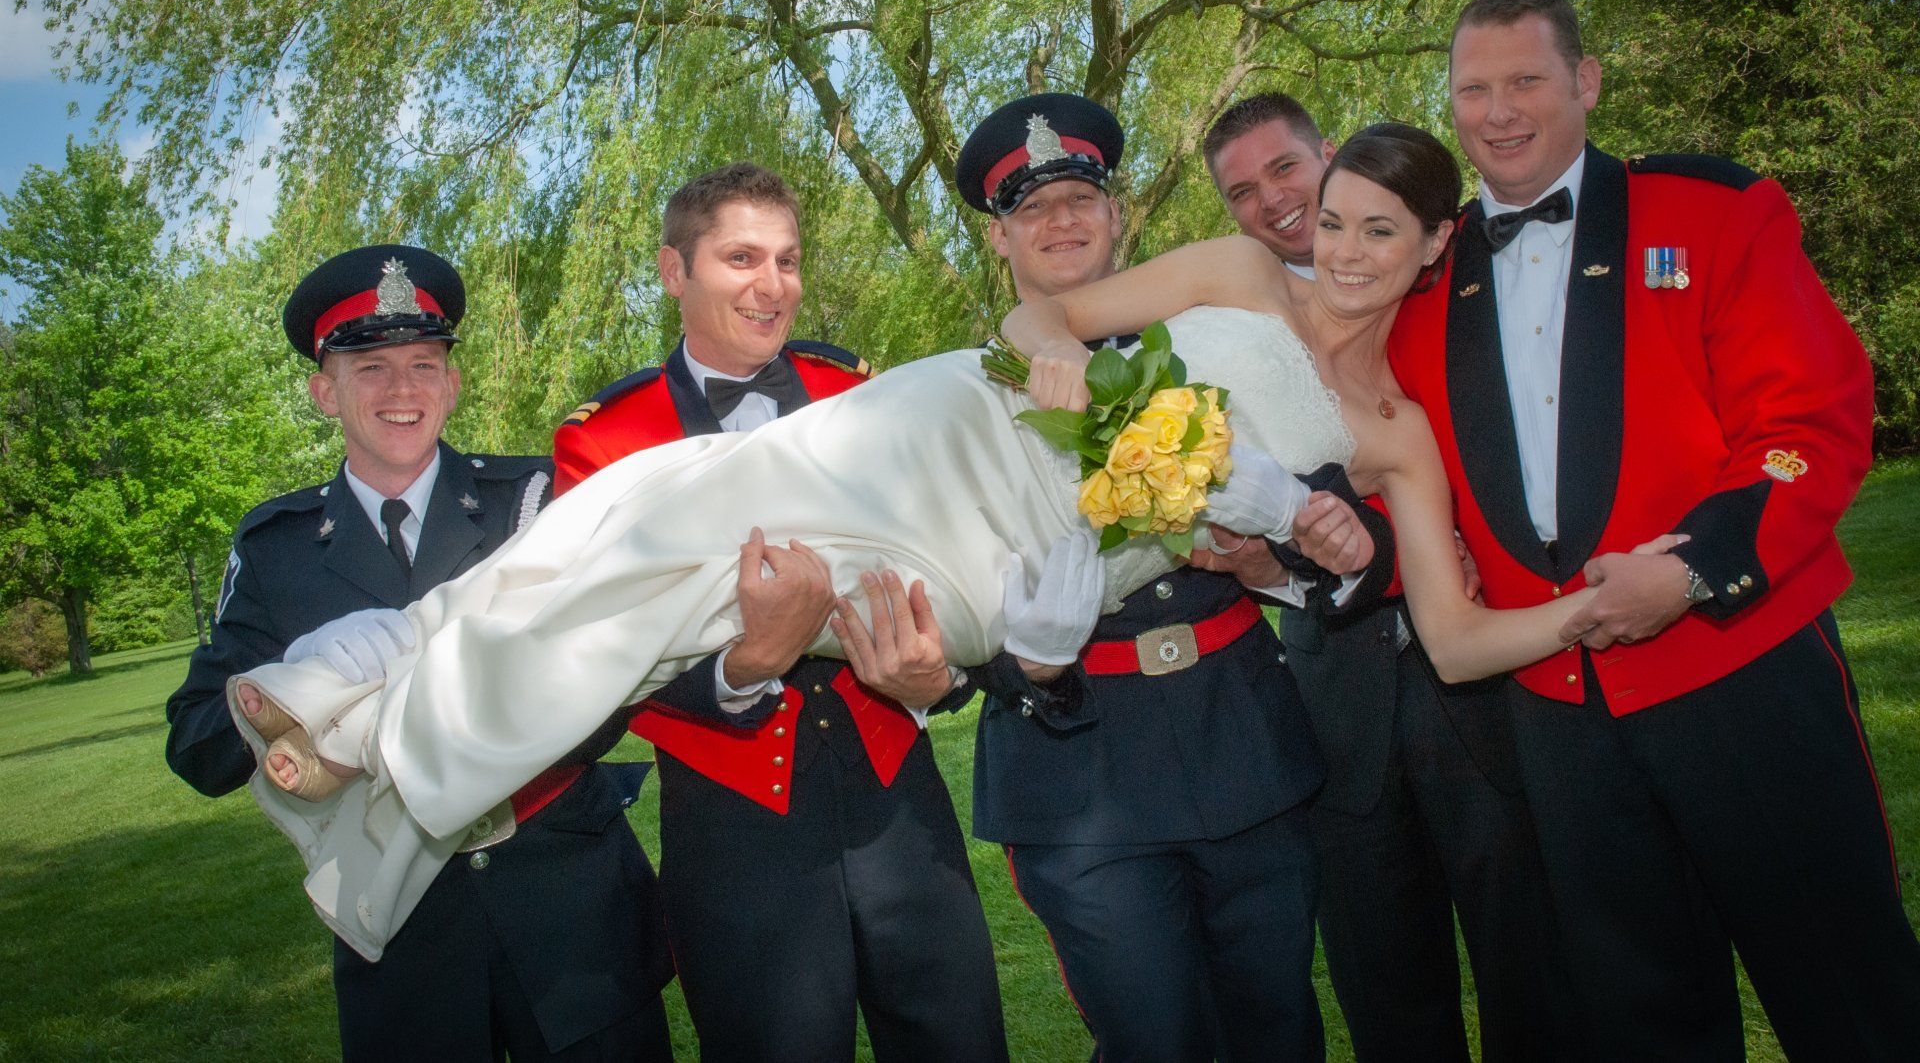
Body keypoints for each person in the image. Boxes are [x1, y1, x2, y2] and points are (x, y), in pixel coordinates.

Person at [225, 130, 1617, 979]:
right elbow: (1039, 321)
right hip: (965, 427)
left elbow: (1456, 637)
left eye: (1383, 233)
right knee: (663, 503)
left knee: (679, 572)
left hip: (1027, 549)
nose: (1346, 251)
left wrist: (1596, 603)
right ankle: (378, 684)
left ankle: (382, 720)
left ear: (1434, 247)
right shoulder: (1244, 271)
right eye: (1337, 219)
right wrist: (1089, 378)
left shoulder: (1394, 435)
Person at [1385, 0, 1920, 1059]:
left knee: (1851, 994)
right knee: (1643, 1022)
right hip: (1558, 716)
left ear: (1585, 80)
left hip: (1742, 668)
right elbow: (1397, 460)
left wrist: (1691, 571)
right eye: (1474, 89)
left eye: (1527, 79)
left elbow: (1808, 424)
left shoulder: (1710, 213)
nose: (1499, 111)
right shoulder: (1417, 278)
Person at [164, 245, 673, 1062]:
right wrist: (297, 673)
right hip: (405, 945)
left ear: (452, 383)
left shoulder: (535, 505)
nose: (402, 390)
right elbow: (197, 745)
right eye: (371, 367)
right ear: (324, 392)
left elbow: (622, 679)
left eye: (423, 364)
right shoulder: (276, 549)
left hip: (573, 919)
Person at [546, 161, 1007, 1063]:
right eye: (741, 258)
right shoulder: (605, 440)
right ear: (674, 271)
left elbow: (950, 568)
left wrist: (942, 675)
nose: (772, 285)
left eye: (788, 261)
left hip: (900, 799)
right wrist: (742, 667)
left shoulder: (860, 394)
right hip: (733, 831)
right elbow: (592, 654)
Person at [956, 93, 1364, 1062]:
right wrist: (1026, 663)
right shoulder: (963, 397)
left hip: (1242, 740)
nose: (1061, 221)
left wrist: (1273, 554)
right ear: (998, 236)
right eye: (1031, 208)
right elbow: (948, 594)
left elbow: (1321, 497)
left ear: (1117, 213)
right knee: (1154, 1039)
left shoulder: (1209, 332)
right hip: (1079, 772)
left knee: (1278, 1029)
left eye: (1079, 200)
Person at [1203, 93, 1579, 1062]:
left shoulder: (1455, 294)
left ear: (1326, 157)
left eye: (1285, 170)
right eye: (1241, 192)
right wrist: (1268, 564)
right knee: (1386, 992)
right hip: (1338, 703)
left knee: (1531, 973)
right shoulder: (1230, 317)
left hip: (1482, 704)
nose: (1272, 201)